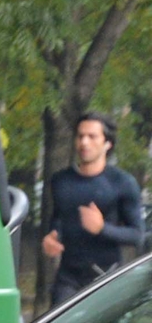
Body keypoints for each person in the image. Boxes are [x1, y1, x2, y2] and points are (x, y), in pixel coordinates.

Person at [43, 112, 145, 307]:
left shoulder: (122, 183)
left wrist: (102, 228)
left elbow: (137, 235)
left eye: (92, 136)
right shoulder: (61, 180)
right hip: (68, 278)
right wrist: (52, 237)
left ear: (108, 143)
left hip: (106, 277)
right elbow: (58, 219)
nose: (84, 142)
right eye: (80, 136)